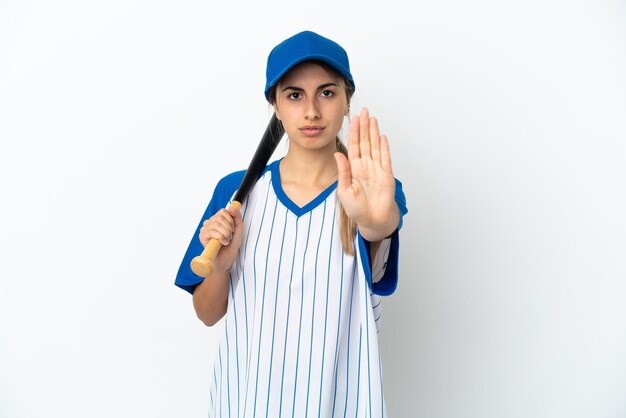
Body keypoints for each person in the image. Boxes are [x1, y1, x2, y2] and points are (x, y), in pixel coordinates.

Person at [175, 30, 408, 417]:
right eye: (294, 94)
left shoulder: (372, 191)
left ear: (348, 101)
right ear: (276, 106)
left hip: (342, 404)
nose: (312, 110)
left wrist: (376, 222)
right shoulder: (236, 193)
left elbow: (378, 234)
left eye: (327, 93)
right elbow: (208, 313)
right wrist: (220, 266)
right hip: (246, 403)